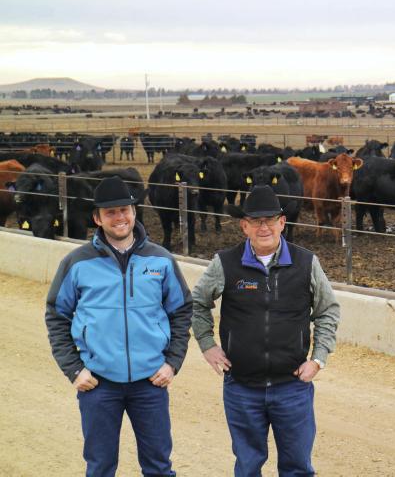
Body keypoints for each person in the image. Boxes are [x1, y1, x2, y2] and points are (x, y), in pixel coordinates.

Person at [45, 175, 193, 477]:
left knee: (159, 466)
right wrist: (74, 369)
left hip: (150, 382)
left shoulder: (161, 260)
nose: (119, 217)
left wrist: (172, 362)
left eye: (124, 209)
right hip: (98, 383)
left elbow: (181, 311)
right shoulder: (76, 263)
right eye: (110, 212)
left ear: (134, 212)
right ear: (97, 218)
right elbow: (57, 316)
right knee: (100, 467)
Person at [191, 185, 340, 477]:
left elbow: (327, 310)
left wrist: (318, 358)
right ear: (244, 226)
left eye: (270, 220)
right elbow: (197, 303)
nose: (264, 227)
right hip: (242, 387)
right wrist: (207, 344)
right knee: (247, 467)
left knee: (297, 467)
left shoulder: (306, 262)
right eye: (255, 221)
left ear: (282, 223)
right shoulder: (225, 263)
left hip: (292, 386)